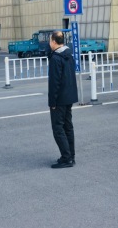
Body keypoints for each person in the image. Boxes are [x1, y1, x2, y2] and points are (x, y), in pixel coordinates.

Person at [48, 31, 78, 168]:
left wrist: (52, 102)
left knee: (58, 129)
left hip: (59, 98)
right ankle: (70, 156)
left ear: (54, 41)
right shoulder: (68, 54)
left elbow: (55, 82)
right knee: (68, 127)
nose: (49, 43)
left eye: (50, 40)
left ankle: (66, 158)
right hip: (69, 96)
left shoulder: (56, 58)